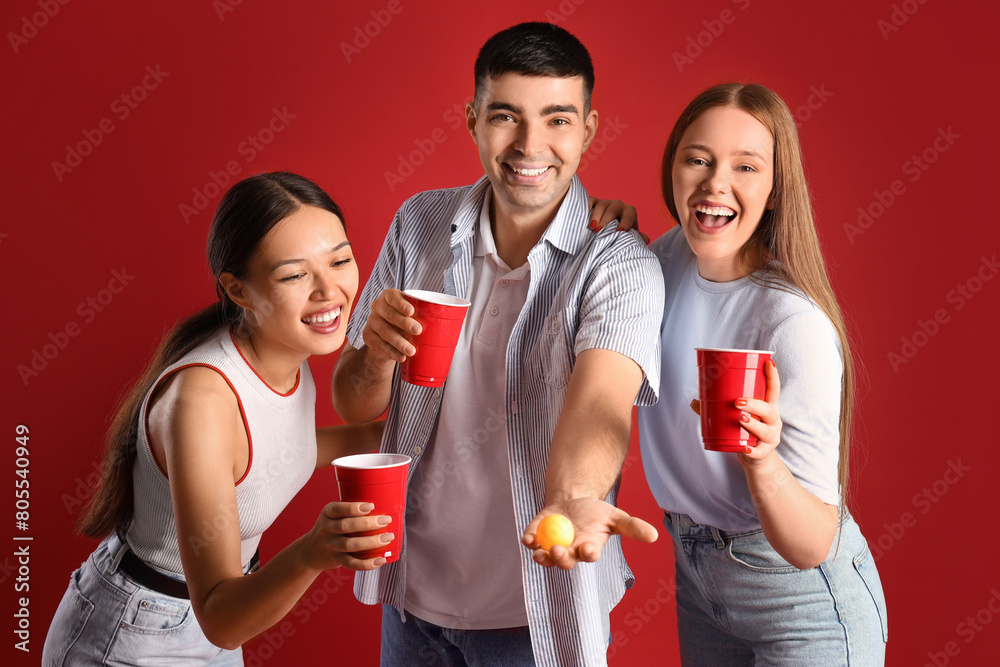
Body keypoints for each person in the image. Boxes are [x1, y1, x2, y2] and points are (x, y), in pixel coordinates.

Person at [332, 22, 664, 667]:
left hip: (534, 612)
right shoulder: (419, 224)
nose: (529, 145)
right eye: (506, 116)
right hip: (412, 599)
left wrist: (572, 498)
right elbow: (354, 404)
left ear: (589, 130)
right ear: (473, 120)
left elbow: (602, 401)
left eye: (557, 120)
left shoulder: (618, 263)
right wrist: (372, 354)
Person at [43, 172, 390, 666]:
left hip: (215, 614)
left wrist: (419, 426)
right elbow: (222, 622)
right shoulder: (202, 399)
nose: (329, 291)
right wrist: (316, 550)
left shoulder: (285, 353)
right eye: (294, 275)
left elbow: (275, 450)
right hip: (140, 632)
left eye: (340, 260)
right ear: (239, 290)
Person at [635, 83, 888, 664]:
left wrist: (761, 460)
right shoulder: (659, 261)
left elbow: (813, 544)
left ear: (775, 191)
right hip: (698, 578)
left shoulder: (791, 322)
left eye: (745, 167)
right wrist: (606, 228)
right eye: (697, 158)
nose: (714, 183)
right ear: (673, 166)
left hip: (802, 602)